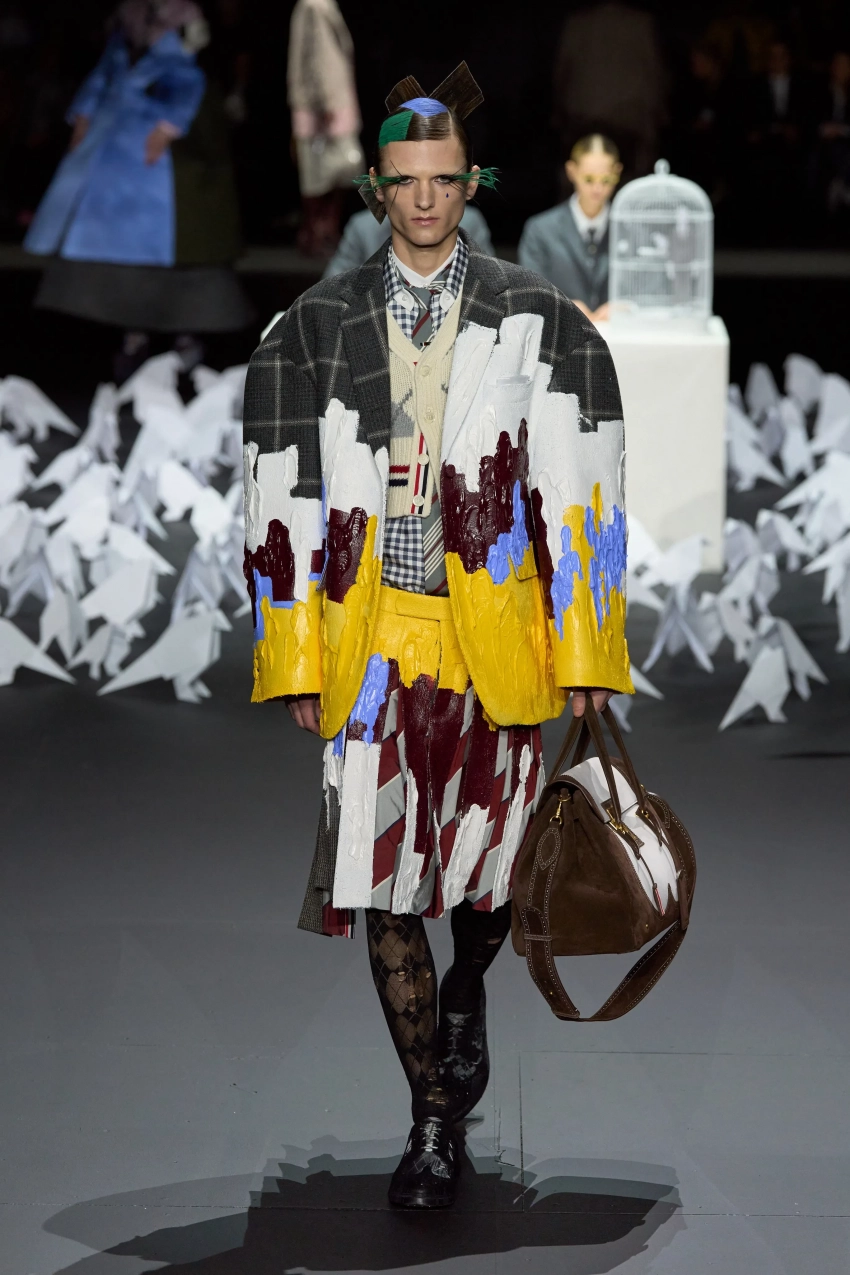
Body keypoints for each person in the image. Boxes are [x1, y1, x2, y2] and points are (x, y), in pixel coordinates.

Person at [242, 63, 632, 1210]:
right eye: (404, 181)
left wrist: (585, 648)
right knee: (379, 880)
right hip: (371, 637)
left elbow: (585, 483)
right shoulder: (309, 329)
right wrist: (295, 655)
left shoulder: (539, 318)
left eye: (443, 180)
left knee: (489, 872)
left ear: (472, 184)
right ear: (376, 188)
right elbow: (278, 494)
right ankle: (429, 1118)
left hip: (493, 634)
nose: (423, 200)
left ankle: (466, 993)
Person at [24, 0, 254, 379]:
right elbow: (107, 67)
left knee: (185, 240)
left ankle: (185, 334)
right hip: (121, 144)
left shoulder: (185, 16)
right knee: (114, 242)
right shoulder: (129, 16)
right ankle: (134, 332)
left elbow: (192, 73)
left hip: (175, 144)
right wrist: (84, 112)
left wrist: (171, 123)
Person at [552, 0, 665, 180]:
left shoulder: (578, 23)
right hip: (624, 119)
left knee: (594, 178)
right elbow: (654, 72)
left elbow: (562, 72)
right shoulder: (641, 23)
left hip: (594, 117)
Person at [287, 0, 364, 257]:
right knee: (318, 174)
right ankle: (315, 232)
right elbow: (316, 54)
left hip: (329, 102)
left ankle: (323, 230)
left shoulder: (319, 5)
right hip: (322, 106)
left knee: (337, 173)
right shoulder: (313, 6)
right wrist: (326, 100)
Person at [518, 133, 621, 322]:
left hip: (618, 334)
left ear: (617, 172)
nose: (597, 188)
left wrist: (627, 306)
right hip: (559, 333)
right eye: (589, 179)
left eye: (606, 180)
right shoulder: (541, 230)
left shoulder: (629, 230)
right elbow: (527, 292)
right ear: (571, 171)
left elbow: (651, 290)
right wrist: (561, 306)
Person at [323, 202, 494, 277]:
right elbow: (335, 283)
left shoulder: (468, 222)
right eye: (404, 181)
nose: (422, 200)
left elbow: (489, 280)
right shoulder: (363, 226)